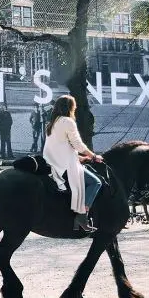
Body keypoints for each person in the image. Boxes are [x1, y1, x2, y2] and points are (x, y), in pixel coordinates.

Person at [43, 95, 103, 232]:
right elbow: (77, 144)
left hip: (53, 162)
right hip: (65, 165)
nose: (75, 108)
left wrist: (80, 158)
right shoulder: (68, 121)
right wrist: (93, 156)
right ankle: (82, 215)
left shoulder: (53, 123)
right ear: (70, 107)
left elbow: (61, 146)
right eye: (74, 106)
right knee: (95, 182)